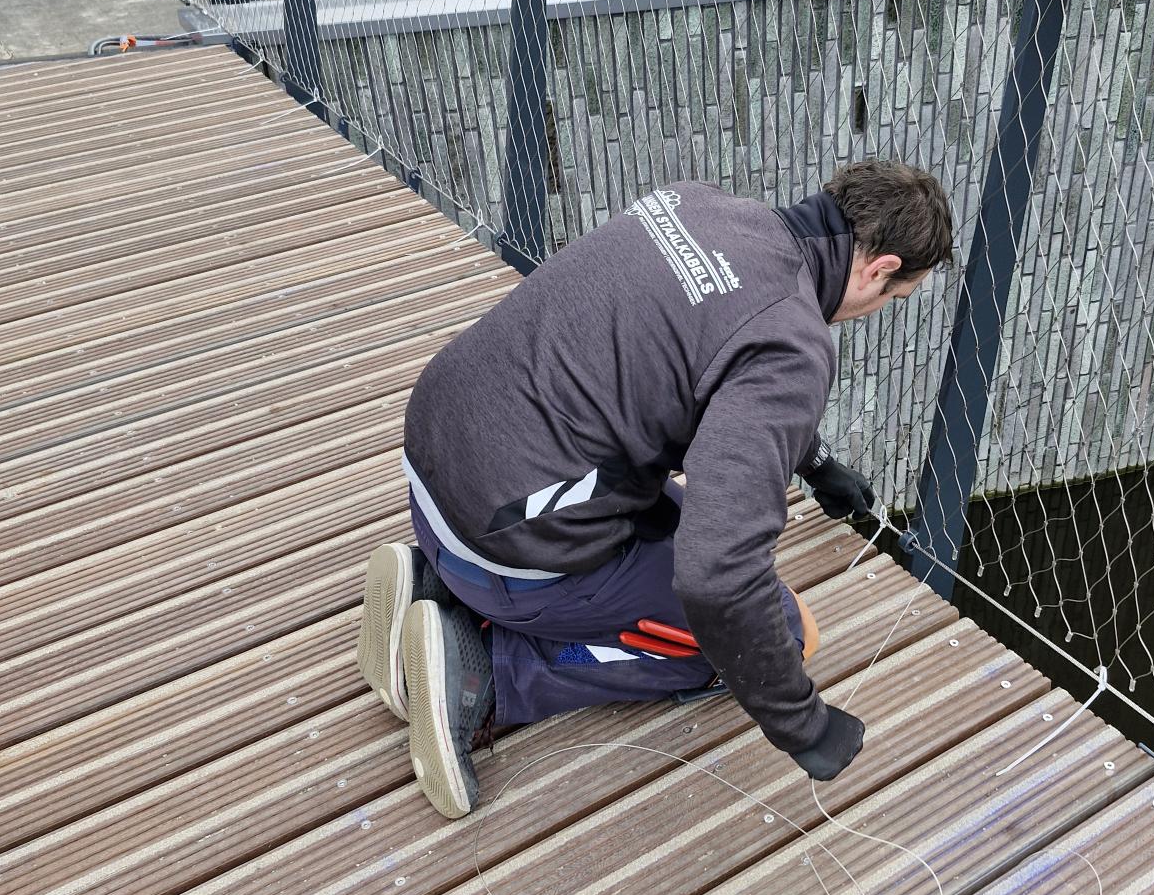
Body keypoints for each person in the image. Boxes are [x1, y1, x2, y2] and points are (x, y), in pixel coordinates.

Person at [357, 161, 954, 818]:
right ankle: (482, 671)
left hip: (436, 456)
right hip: (504, 539)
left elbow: (708, 357)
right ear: (879, 268)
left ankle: (431, 584)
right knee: (778, 634)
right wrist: (801, 723)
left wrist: (813, 463)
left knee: (673, 545)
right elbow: (717, 576)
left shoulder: (697, 204)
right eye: (893, 298)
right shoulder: (795, 344)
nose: (875, 311)